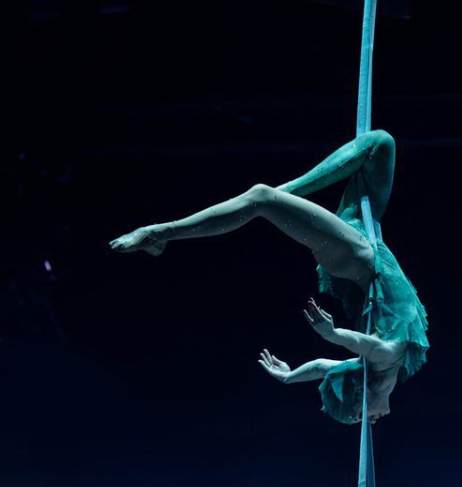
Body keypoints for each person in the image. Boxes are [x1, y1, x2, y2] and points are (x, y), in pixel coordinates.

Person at [109, 130, 429, 424]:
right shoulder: (383, 363)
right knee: (380, 144)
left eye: (362, 417)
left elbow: (356, 348)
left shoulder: (378, 365)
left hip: (354, 257)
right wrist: (291, 376)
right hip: (369, 250)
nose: (373, 419)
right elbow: (327, 364)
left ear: (360, 396)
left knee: (261, 197)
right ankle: (277, 199)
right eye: (366, 418)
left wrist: (329, 338)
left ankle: (160, 233)